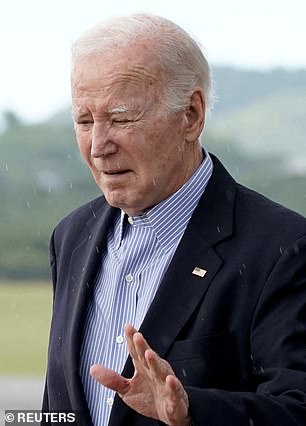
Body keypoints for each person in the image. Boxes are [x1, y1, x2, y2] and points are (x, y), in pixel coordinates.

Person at [42, 13, 306, 426]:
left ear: (191, 115)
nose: (98, 146)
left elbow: (297, 409)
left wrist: (192, 411)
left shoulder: (282, 248)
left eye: (121, 118)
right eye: (84, 121)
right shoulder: (69, 236)